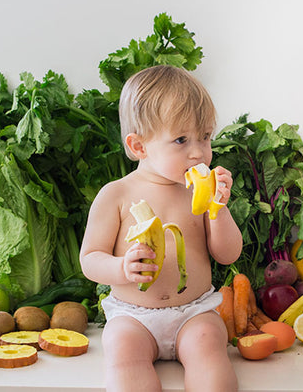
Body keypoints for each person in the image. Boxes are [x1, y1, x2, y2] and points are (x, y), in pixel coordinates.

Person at [80, 65, 243, 392]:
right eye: (181, 140)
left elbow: (227, 255)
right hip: (133, 316)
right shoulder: (117, 194)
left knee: (211, 344)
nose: (198, 152)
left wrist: (218, 209)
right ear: (139, 147)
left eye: (205, 136)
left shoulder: (200, 192)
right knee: (121, 350)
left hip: (194, 312)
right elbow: (90, 259)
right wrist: (122, 267)